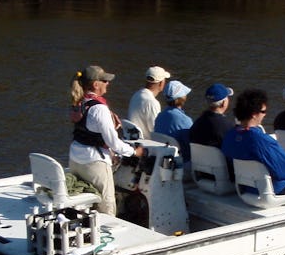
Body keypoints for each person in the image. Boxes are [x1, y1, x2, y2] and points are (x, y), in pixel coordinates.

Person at [68, 65, 142, 215]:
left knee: (90, 204)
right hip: (94, 163)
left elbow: (88, 134)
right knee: (106, 205)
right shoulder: (99, 109)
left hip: (75, 159)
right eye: (105, 81)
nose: (108, 83)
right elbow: (113, 143)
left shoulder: (79, 102)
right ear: (96, 84)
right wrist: (135, 152)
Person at [154, 80, 194, 162]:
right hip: (181, 161)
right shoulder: (185, 120)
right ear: (182, 98)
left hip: (162, 159)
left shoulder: (159, 116)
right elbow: (191, 146)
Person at [127, 66, 171, 140]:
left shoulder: (136, 94)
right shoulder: (152, 102)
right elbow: (156, 130)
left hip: (132, 139)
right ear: (161, 83)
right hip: (146, 144)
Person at [189, 83, 235, 148]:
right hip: (219, 158)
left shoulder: (198, 122)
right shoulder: (227, 126)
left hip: (198, 157)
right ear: (223, 103)